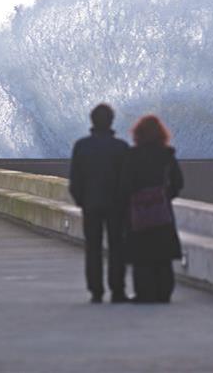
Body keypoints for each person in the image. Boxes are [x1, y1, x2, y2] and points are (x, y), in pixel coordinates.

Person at [69, 103, 130, 304]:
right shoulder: (121, 147)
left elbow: (75, 180)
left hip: (91, 204)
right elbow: (126, 180)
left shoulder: (82, 146)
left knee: (93, 248)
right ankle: (117, 290)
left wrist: (82, 201)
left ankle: (96, 291)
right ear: (111, 121)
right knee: (117, 247)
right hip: (116, 206)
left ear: (92, 121)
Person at [120, 115, 183, 303]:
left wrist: (135, 200)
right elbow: (178, 183)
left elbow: (124, 185)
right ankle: (164, 293)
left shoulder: (132, 156)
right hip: (162, 212)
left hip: (139, 211)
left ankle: (144, 294)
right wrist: (163, 197)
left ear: (137, 134)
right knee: (163, 255)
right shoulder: (167, 155)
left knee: (142, 255)